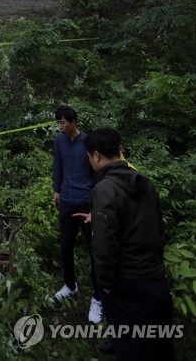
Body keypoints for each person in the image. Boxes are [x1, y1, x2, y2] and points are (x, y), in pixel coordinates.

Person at [77, 128, 176, 361]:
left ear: (97, 156)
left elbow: (104, 248)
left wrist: (107, 286)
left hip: (127, 290)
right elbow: (154, 228)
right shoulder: (143, 182)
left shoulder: (103, 190)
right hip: (156, 283)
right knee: (161, 351)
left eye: (89, 157)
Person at [52, 104, 103, 323]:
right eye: (57, 122)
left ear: (73, 122)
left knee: (94, 251)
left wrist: (96, 203)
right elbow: (58, 165)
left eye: (63, 122)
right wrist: (57, 189)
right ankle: (70, 285)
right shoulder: (59, 140)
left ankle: (98, 298)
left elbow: (97, 173)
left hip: (86, 202)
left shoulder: (88, 142)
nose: (59, 125)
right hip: (67, 200)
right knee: (65, 245)